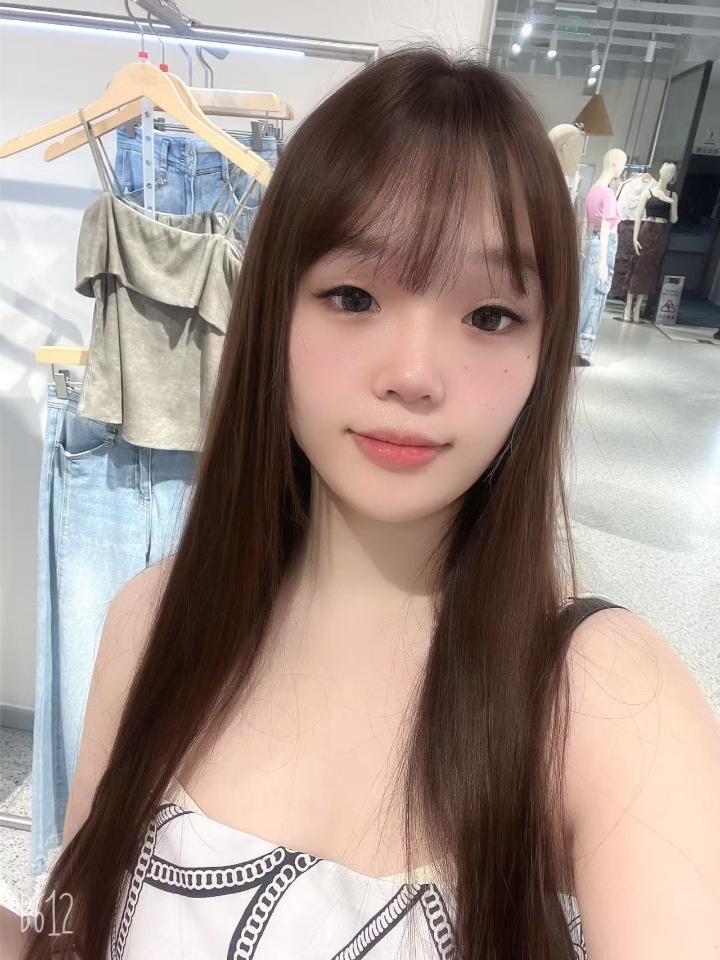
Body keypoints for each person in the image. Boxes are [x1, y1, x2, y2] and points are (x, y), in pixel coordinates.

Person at [11, 46, 720, 960]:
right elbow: (69, 938)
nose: (414, 374)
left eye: (491, 316)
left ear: (545, 354)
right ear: (273, 315)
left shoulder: (602, 695)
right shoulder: (151, 622)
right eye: (353, 296)